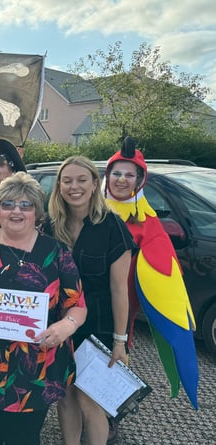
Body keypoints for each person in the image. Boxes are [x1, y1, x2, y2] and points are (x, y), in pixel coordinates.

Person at [0, 172, 87, 445]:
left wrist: (65, 327)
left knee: (24, 438)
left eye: (26, 205)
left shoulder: (56, 252)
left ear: (37, 212)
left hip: (37, 365)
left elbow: (77, 306)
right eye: (8, 204)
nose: (17, 211)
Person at [103, 138, 198, 410]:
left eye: (129, 175)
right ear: (107, 176)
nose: (122, 180)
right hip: (84, 299)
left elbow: (163, 267)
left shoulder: (148, 220)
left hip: (122, 305)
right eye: (116, 173)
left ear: (139, 180)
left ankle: (110, 414)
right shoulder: (90, 210)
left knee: (116, 352)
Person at [45, 156, 134, 445]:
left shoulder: (113, 227)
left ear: (95, 184)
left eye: (82, 180)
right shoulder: (50, 226)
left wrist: (120, 341)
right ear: (59, 186)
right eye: (67, 180)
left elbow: (121, 289)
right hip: (58, 324)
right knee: (66, 397)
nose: (74, 186)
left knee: (90, 400)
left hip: (98, 324)